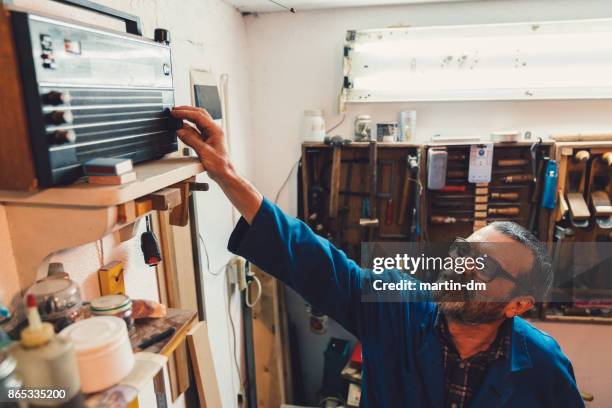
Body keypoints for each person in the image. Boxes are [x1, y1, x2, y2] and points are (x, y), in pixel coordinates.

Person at [171, 106, 584, 408]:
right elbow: (312, 258)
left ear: (518, 304)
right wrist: (225, 173)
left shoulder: (542, 364)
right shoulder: (396, 306)